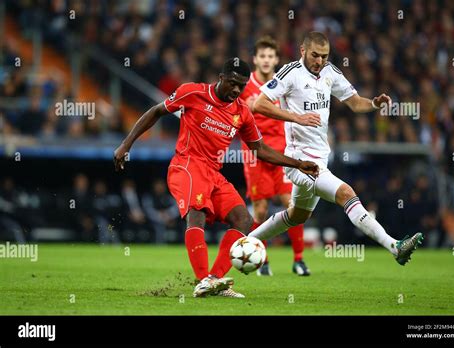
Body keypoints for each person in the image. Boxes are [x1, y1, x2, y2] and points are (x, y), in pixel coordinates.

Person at [114, 58, 318, 298]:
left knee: (243, 219)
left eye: (241, 86)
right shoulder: (192, 92)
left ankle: (214, 279)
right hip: (187, 165)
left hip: (213, 172)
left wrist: (297, 164)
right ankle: (202, 280)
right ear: (221, 78)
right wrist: (126, 144)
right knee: (196, 214)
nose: (236, 90)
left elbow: (260, 149)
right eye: (232, 83)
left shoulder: (242, 111)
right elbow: (157, 111)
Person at [249, 32, 423, 267]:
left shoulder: (330, 72)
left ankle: (247, 241)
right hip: (300, 161)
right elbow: (260, 104)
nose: (319, 61)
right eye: (314, 55)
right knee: (346, 194)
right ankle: (395, 246)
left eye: (324, 56)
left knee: (297, 215)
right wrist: (296, 117)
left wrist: (373, 103)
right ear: (302, 51)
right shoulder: (290, 73)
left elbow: (354, 102)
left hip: (321, 159)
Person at [241, 36, 309, 276]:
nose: (267, 60)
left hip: (282, 153)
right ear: (255, 60)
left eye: (271, 56)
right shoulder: (244, 87)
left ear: (276, 59)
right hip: (255, 155)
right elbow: (234, 119)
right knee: (259, 209)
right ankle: (263, 261)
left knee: (291, 203)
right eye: (262, 56)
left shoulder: (284, 84)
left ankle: (299, 259)